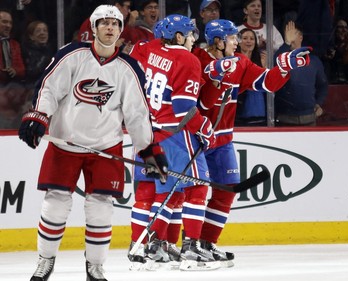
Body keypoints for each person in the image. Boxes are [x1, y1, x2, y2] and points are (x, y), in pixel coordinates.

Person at [18, 5, 168, 281]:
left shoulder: (129, 68)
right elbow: (49, 88)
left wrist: (148, 149)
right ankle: (45, 261)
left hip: (106, 148)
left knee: (101, 208)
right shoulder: (71, 55)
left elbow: (137, 113)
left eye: (116, 24)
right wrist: (39, 116)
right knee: (56, 203)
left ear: (121, 30)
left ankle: (95, 267)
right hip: (66, 142)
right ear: (95, 27)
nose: (110, 28)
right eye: (105, 23)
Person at [191, 19, 310, 267]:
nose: (239, 42)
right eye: (233, 38)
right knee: (193, 194)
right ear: (217, 41)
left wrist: (284, 66)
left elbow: (269, 83)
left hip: (222, 140)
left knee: (227, 191)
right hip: (194, 138)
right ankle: (179, 244)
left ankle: (206, 243)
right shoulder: (195, 59)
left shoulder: (241, 63)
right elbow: (197, 104)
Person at [128, 14, 237, 271]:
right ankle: (191, 249)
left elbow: (134, 57)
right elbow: (183, 108)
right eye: (189, 35)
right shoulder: (186, 59)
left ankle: (146, 247)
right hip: (173, 134)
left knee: (151, 191)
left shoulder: (148, 48)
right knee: (196, 188)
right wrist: (205, 127)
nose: (192, 41)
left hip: (145, 132)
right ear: (178, 36)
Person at [274, 21, 328, 126]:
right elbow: (276, 63)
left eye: (292, 34)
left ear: (300, 37)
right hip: (285, 118)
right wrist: (286, 44)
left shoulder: (314, 61)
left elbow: (323, 85)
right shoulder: (281, 57)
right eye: (287, 34)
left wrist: (318, 103)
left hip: (309, 118)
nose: (289, 37)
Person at [235, 27, 267, 126]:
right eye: (245, 38)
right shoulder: (233, 60)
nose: (249, 41)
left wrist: (263, 67)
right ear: (239, 41)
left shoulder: (261, 59)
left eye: (252, 39)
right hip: (239, 114)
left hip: (260, 114)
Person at [21, 20, 55, 87]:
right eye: (38, 31)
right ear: (31, 36)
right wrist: (46, 57)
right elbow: (32, 72)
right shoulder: (26, 51)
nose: (42, 33)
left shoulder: (50, 51)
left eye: (45, 30)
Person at [0, 9, 25, 85]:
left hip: (12, 84)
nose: (8, 26)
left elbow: (22, 69)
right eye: (4, 22)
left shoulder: (15, 44)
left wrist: (15, 70)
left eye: (10, 23)